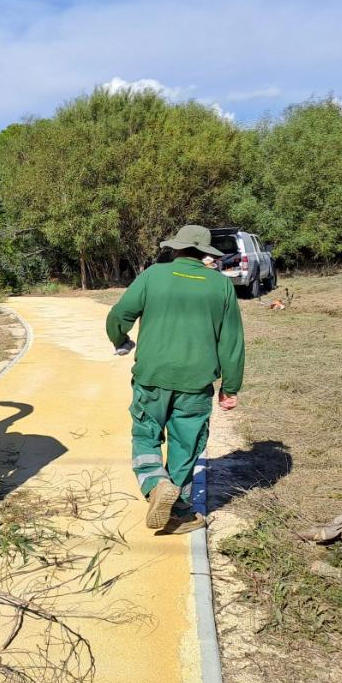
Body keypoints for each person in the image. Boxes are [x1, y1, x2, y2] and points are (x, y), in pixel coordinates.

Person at [105, 225, 245, 533]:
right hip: (195, 384)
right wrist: (230, 388)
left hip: (152, 377)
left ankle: (156, 483)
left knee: (146, 435)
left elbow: (119, 316)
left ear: (176, 249)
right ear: (206, 254)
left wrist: (121, 341)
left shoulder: (153, 275)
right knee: (186, 444)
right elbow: (231, 342)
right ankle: (179, 510)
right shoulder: (221, 286)